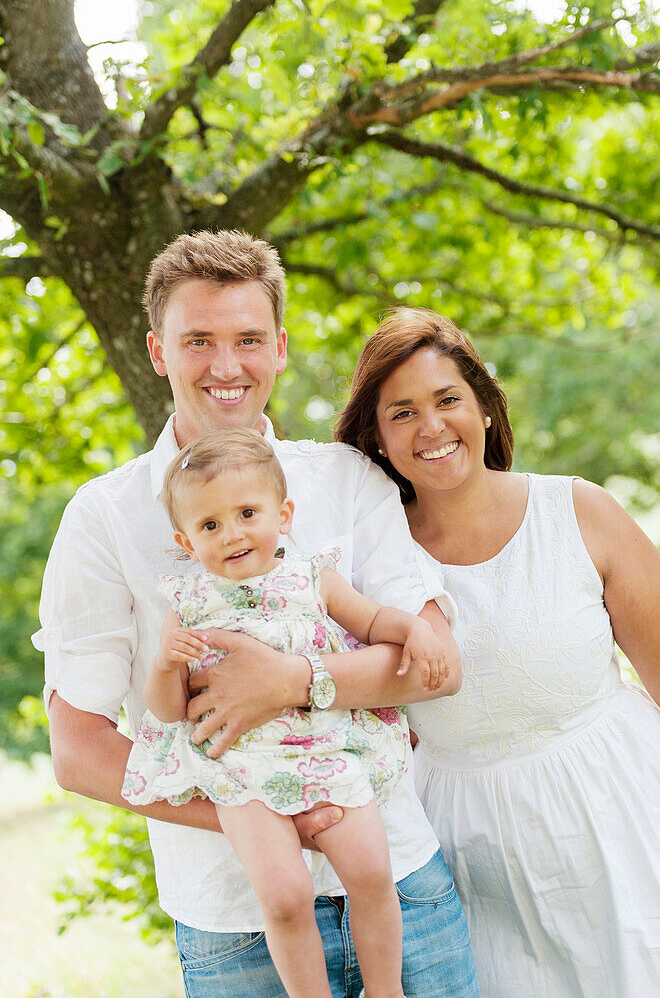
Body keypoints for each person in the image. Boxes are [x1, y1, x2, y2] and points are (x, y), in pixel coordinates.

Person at [34, 230, 478, 998]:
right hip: (235, 922)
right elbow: (79, 752)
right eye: (198, 340)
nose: (226, 365)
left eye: (247, 340)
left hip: (400, 884)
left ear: (278, 347)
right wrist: (264, 811)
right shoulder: (105, 517)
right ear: (157, 351)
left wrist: (295, 681)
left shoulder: (345, 480)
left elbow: (432, 666)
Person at [335, 307, 660, 998]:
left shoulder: (581, 514)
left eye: (448, 399)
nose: (431, 427)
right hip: (474, 853)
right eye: (402, 412)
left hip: (629, 823)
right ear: (375, 437)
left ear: (485, 408)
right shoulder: (368, 565)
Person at [123, 427, 449, 998]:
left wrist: (415, 629)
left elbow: (374, 622)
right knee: (284, 895)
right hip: (241, 767)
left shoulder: (312, 577)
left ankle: (385, 989)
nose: (233, 534)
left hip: (327, 749)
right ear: (185, 541)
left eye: (248, 512)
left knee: (372, 875)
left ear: (285, 513)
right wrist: (162, 668)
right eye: (210, 525)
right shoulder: (189, 606)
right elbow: (170, 711)